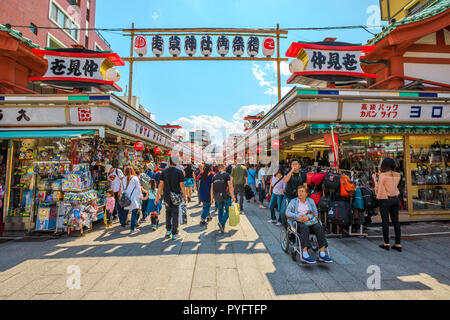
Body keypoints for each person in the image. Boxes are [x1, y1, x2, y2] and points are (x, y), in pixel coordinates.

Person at [286, 185, 333, 264]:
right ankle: (304, 254)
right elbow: (287, 212)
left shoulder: (310, 201)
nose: (300, 193)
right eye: (299, 191)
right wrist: (298, 216)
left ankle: (322, 254)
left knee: (319, 227)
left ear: (306, 193)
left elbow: (315, 213)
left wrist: (308, 217)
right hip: (298, 222)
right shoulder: (294, 201)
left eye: (302, 191)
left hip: (310, 221)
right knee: (305, 229)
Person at [373, 158, 402, 252]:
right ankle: (398, 244)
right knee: (396, 221)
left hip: (386, 199)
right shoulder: (398, 175)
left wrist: (374, 179)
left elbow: (380, 189)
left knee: (385, 221)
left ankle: (386, 243)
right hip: (395, 199)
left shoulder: (382, 176)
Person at [154, 156, 186, 240]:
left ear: (169, 162)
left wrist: (157, 197)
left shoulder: (164, 172)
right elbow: (182, 185)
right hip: (176, 196)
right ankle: (174, 233)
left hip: (167, 196)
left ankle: (168, 231)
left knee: (168, 212)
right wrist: (185, 196)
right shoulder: (179, 172)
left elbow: (160, 185)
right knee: (175, 213)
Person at [211, 164, 236, 234]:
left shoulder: (214, 176)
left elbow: (211, 188)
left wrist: (211, 198)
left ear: (218, 169)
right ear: (224, 168)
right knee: (228, 211)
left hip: (217, 196)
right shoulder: (226, 175)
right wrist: (233, 196)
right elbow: (230, 186)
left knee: (220, 210)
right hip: (226, 196)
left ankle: (221, 225)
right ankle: (222, 223)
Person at [119, 166, 144, 233]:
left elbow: (121, 190)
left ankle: (123, 225)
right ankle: (132, 229)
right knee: (134, 213)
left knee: (125, 212)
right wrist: (141, 196)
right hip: (134, 198)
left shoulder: (123, 179)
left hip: (126, 198)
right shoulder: (135, 178)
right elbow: (138, 188)